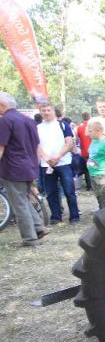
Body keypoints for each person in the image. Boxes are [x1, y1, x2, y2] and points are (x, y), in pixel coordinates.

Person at [0, 92, 49, 246]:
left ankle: (29, 238)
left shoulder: (5, 120)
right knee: (24, 199)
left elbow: (1, 146)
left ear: (2, 105)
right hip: (29, 166)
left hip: (13, 168)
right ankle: (38, 227)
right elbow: (37, 146)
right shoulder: (28, 120)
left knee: (19, 203)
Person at [37, 103, 80, 224]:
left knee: (69, 191)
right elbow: (36, 145)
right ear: (40, 112)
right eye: (43, 110)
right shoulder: (38, 127)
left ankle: (74, 216)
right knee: (51, 193)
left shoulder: (63, 125)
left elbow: (69, 143)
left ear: (53, 111)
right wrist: (46, 158)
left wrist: (57, 156)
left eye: (48, 110)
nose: (46, 112)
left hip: (64, 163)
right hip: (46, 165)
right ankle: (55, 216)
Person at [75, 112, 93, 190]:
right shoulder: (92, 127)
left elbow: (77, 138)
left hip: (84, 152)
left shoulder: (79, 127)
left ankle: (87, 186)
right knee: (91, 169)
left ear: (82, 118)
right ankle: (91, 185)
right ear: (90, 117)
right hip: (93, 151)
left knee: (86, 169)